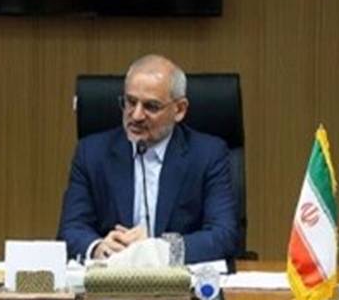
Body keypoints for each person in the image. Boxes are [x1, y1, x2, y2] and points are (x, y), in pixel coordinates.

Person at [57, 54, 238, 263]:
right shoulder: (91, 153)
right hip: (112, 277)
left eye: (151, 106)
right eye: (130, 102)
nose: (136, 116)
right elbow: (70, 229)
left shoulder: (208, 154)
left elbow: (223, 235)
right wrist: (98, 247)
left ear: (179, 110)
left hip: (176, 279)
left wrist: (158, 249)